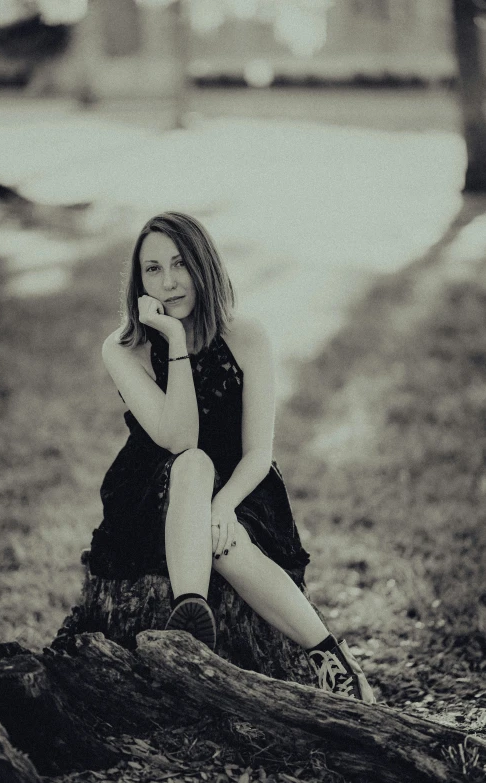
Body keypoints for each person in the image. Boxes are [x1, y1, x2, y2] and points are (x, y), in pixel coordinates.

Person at [88, 211, 375, 704]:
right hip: (153, 493)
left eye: (179, 264)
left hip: (241, 488)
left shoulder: (247, 335)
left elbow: (259, 452)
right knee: (194, 465)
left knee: (224, 535)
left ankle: (313, 657)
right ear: (138, 281)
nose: (168, 281)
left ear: (204, 266)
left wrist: (221, 506)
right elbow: (180, 439)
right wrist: (174, 342)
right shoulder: (124, 348)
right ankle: (204, 617)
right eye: (152, 269)